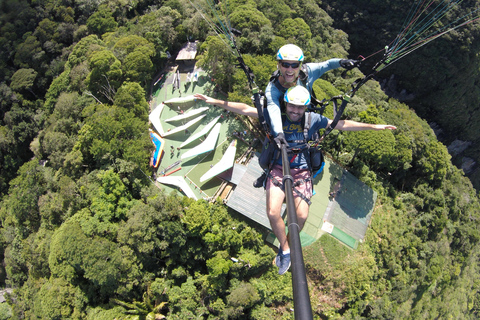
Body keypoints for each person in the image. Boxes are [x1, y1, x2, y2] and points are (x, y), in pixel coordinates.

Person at [194, 87, 396, 274]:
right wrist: (213, 100)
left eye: (300, 107)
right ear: (285, 104)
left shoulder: (312, 119)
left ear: (305, 107)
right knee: (273, 212)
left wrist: (375, 127)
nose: (295, 111)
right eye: (292, 105)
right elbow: (246, 109)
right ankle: (285, 249)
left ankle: (287, 246)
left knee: (301, 216)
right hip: (278, 167)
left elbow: (341, 124)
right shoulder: (276, 116)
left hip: (301, 171)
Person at [266, 44, 359, 142]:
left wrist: (341, 62)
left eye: (295, 65)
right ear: (279, 65)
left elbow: (327, 65)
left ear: (300, 66)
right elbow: (274, 112)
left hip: (307, 122)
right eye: (285, 65)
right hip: (285, 125)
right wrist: (279, 133)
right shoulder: (273, 89)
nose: (290, 69)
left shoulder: (307, 72)